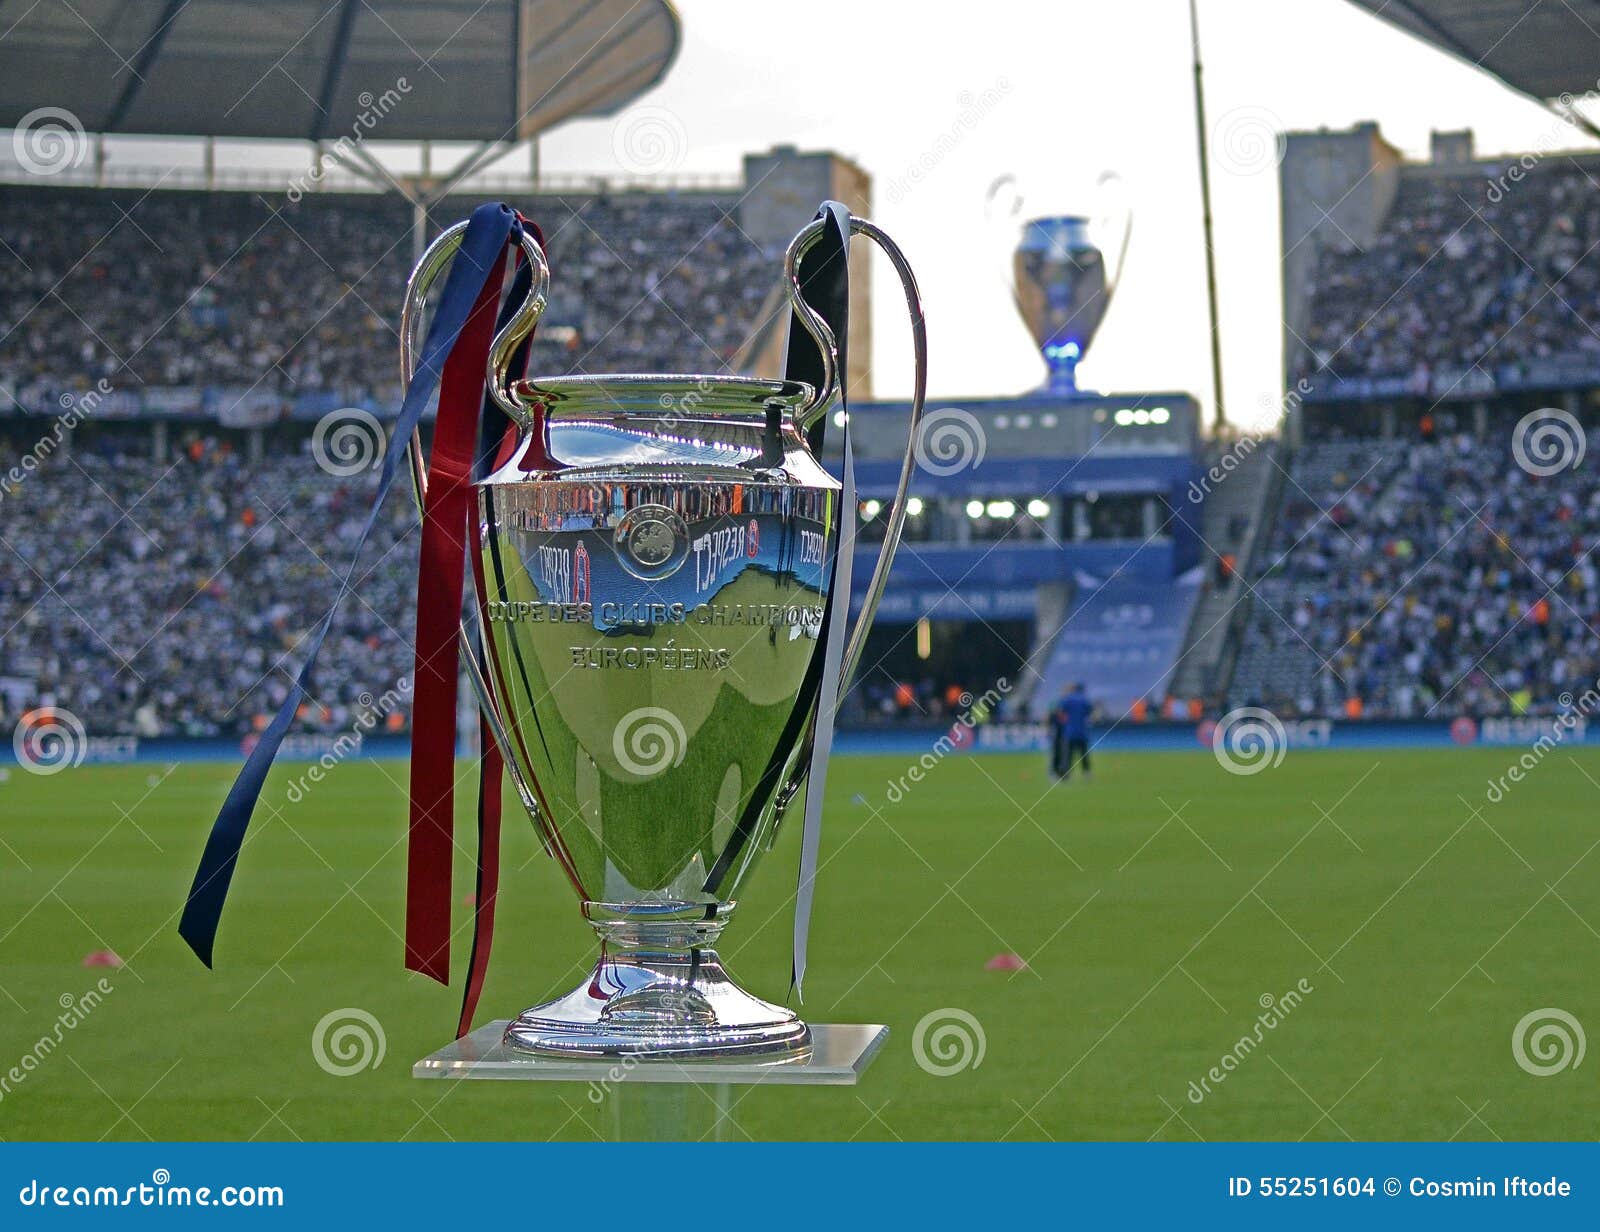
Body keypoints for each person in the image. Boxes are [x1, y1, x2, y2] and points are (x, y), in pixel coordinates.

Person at [1049, 682, 1093, 781]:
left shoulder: (1067, 699)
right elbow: (1090, 712)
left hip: (1070, 731)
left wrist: (1065, 722)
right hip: (1082, 731)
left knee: (1068, 755)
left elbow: (1060, 713)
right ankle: (1087, 773)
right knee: (1084, 754)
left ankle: (1066, 775)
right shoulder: (1084, 699)